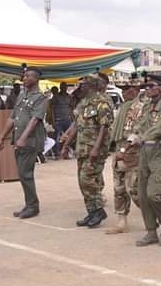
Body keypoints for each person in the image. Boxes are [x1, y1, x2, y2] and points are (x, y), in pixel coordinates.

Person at [60, 74, 113, 228]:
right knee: (82, 181)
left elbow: (105, 127)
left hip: (95, 149)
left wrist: (96, 148)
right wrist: (66, 146)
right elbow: (76, 126)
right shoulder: (84, 103)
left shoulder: (102, 103)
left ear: (91, 86)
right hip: (83, 148)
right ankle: (92, 211)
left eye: (83, 85)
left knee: (87, 179)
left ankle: (98, 210)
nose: (80, 88)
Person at [0, 66, 48, 219]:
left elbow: (34, 120)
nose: (24, 78)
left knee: (25, 174)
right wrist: (1, 137)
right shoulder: (22, 95)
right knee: (22, 173)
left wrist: (23, 138)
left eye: (27, 76)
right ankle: (29, 204)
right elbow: (13, 117)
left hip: (29, 142)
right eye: (24, 76)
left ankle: (33, 206)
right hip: (19, 140)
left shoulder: (40, 98)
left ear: (36, 79)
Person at [131, 74, 161, 246]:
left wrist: (140, 138)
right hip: (144, 151)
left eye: (151, 86)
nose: (147, 89)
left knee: (154, 194)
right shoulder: (147, 107)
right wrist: (133, 137)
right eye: (146, 87)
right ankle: (151, 231)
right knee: (142, 195)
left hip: (159, 151)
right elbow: (139, 124)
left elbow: (159, 129)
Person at [107, 74, 145, 235]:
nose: (124, 92)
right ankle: (122, 221)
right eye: (123, 89)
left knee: (134, 189)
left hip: (133, 152)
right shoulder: (122, 108)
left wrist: (125, 150)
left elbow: (140, 131)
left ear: (136, 90)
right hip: (119, 151)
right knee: (119, 188)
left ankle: (153, 216)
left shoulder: (141, 108)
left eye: (128, 89)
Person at [50, 82, 74, 158]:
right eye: (62, 87)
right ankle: (57, 153)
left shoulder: (69, 97)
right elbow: (52, 110)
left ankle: (67, 152)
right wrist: (53, 121)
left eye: (65, 86)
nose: (64, 88)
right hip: (58, 120)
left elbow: (71, 109)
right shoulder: (56, 97)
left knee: (69, 137)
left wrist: (73, 119)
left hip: (68, 119)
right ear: (60, 87)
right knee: (58, 137)